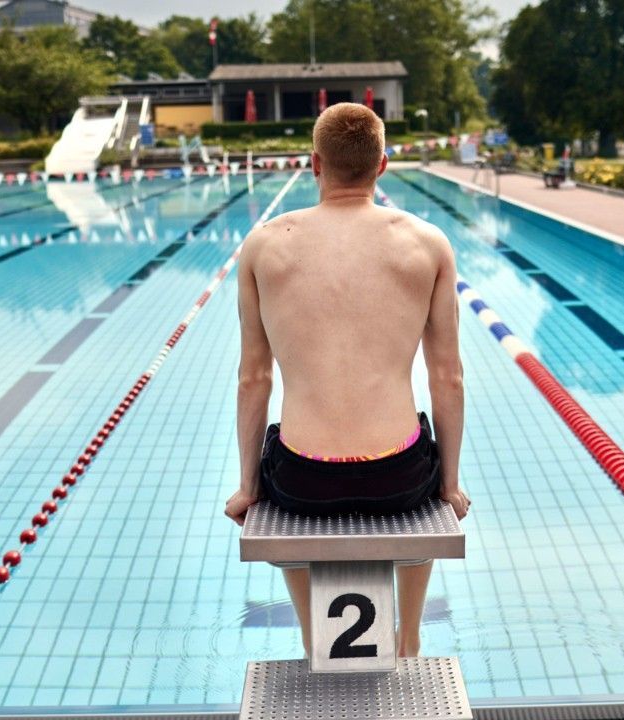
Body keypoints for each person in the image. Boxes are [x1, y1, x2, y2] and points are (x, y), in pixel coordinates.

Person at [224, 102, 470, 658]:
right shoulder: (428, 244)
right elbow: (447, 377)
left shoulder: (263, 245)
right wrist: (448, 485)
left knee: (276, 447)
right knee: (422, 444)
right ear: (382, 164)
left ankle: (317, 634)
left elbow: (253, 378)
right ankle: (407, 637)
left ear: (314, 163)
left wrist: (249, 487)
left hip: (300, 481)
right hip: (400, 479)